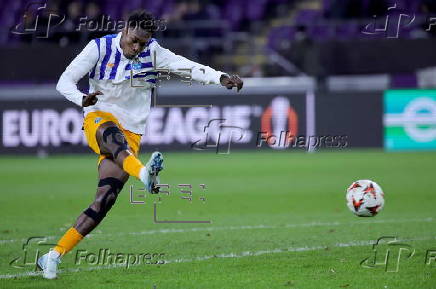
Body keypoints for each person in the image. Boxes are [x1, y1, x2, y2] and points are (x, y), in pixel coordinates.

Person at [37, 9, 243, 279]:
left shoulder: (153, 53)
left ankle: (52, 256)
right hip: (99, 117)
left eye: (142, 43)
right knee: (113, 138)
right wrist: (81, 98)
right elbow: (65, 80)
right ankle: (145, 174)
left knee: (105, 199)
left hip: (132, 131)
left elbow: (188, 67)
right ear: (125, 29)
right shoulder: (99, 47)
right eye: (134, 40)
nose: (136, 47)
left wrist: (220, 77)